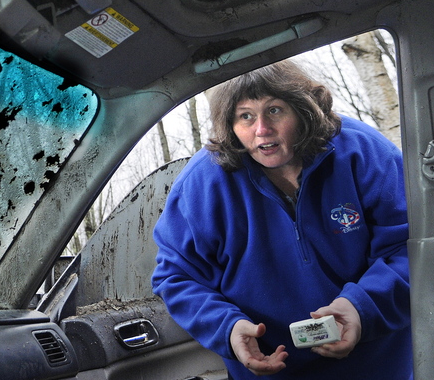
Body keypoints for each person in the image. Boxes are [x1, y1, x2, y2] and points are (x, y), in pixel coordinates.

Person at [152, 60, 411, 379]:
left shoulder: (363, 152)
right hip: (269, 371)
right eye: (245, 116)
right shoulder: (203, 183)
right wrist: (228, 328)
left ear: (303, 109)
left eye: (274, 110)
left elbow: (411, 246)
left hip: (378, 365)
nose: (262, 130)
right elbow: (176, 276)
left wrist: (362, 307)